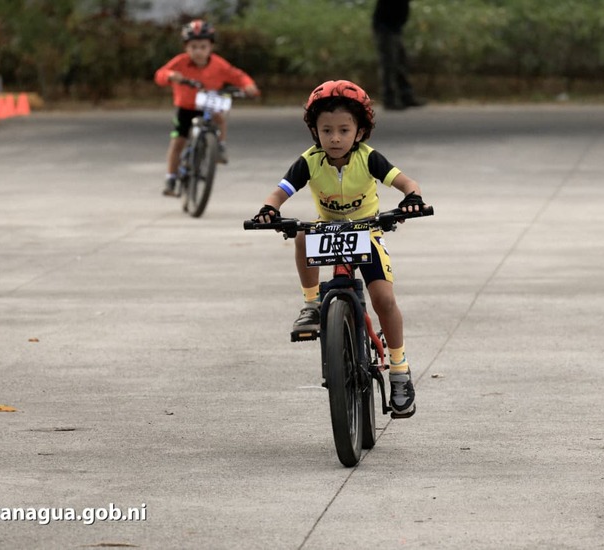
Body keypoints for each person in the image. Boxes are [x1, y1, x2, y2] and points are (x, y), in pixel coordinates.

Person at [252, 80, 426, 416]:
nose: (334, 138)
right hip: (327, 228)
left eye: (344, 130)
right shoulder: (309, 161)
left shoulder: (369, 159)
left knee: (384, 300)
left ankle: (400, 370)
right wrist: (269, 209)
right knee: (303, 232)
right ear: (314, 132)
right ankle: (312, 304)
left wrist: (412, 199)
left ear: (360, 132)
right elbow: (279, 192)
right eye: (326, 130)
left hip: (368, 230)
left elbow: (406, 182)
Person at [154, 19, 259, 196]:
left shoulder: (219, 64)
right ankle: (171, 177)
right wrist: (171, 75)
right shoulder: (180, 63)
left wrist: (249, 85)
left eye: (203, 47)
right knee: (177, 142)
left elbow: (238, 76)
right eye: (193, 47)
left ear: (211, 47)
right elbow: (160, 75)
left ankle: (220, 146)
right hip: (186, 107)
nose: (198, 51)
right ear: (186, 48)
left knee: (220, 118)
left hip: (208, 105)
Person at [372, 0, 424, 110]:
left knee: (401, 62)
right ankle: (389, 100)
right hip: (385, 27)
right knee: (389, 64)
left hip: (395, 28)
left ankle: (406, 96)